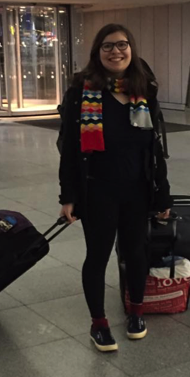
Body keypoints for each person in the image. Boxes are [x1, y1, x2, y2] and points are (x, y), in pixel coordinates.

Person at [59, 23, 172, 353]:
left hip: (137, 189)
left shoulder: (144, 90)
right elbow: (69, 148)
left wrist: (162, 192)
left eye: (122, 45)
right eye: (107, 46)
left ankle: (136, 312)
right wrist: (68, 195)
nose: (116, 51)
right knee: (97, 256)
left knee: (136, 254)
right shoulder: (80, 92)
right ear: (97, 53)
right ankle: (99, 324)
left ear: (131, 49)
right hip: (98, 190)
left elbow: (155, 147)